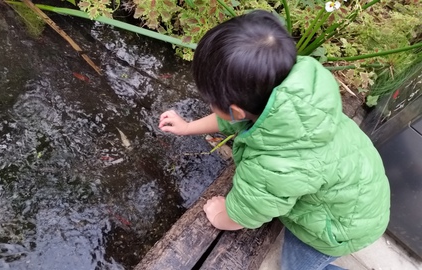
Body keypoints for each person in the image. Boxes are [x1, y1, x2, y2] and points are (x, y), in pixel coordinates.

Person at [158, 10, 390, 270]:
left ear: (236, 110)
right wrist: (188, 126)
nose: (210, 106)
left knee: (296, 266)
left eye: (211, 102)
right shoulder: (294, 96)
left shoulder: (274, 163)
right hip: (360, 192)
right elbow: (232, 118)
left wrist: (221, 214)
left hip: (339, 229)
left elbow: (247, 213)